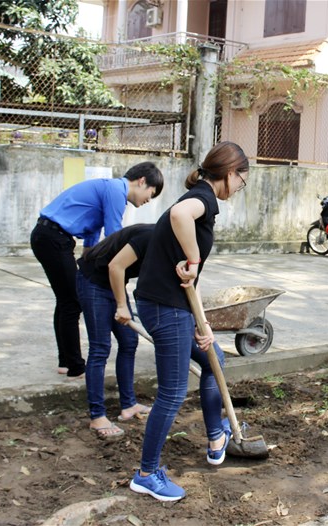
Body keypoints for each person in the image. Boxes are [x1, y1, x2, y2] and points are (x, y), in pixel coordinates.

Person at [128, 141, 249, 502]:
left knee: (216, 361)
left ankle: (216, 438)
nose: (241, 187)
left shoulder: (204, 197)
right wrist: (195, 258)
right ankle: (147, 473)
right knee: (173, 392)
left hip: (172, 305)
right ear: (230, 174)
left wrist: (202, 325)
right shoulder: (204, 199)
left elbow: (182, 276)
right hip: (165, 309)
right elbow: (180, 217)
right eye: (242, 180)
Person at [30, 163, 163, 378]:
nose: (149, 199)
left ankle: (65, 361)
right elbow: (114, 237)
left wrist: (88, 265)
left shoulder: (109, 190)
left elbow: (93, 235)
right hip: (51, 237)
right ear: (142, 181)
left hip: (51, 237)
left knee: (66, 300)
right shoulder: (115, 191)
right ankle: (74, 366)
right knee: (71, 302)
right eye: (151, 193)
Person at [76, 223, 157, 440]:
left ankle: (128, 405)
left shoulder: (170, 245)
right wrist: (122, 305)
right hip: (93, 281)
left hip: (114, 283)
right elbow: (115, 267)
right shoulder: (151, 235)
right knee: (101, 348)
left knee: (129, 342)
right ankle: (97, 416)